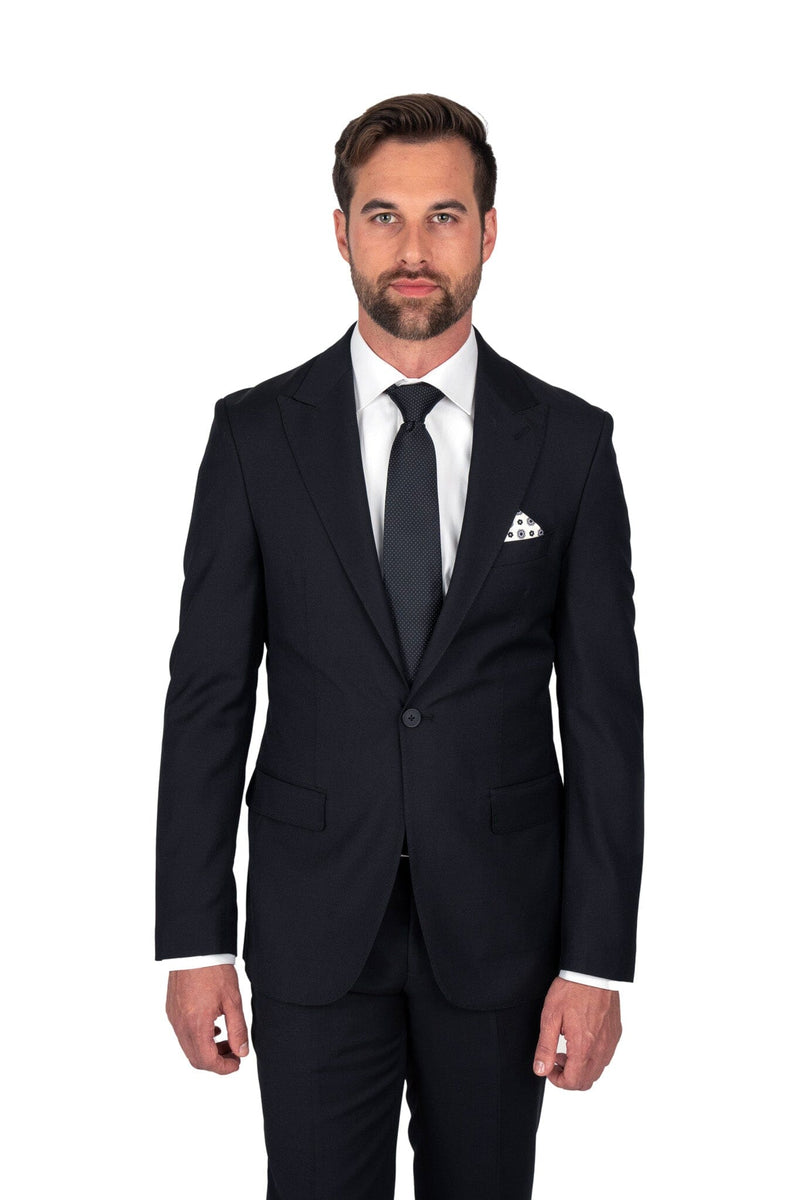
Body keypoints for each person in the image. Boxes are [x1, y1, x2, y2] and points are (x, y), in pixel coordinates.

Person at [155, 92, 645, 1199]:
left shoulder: (568, 445)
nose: (413, 249)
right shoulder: (255, 437)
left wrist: (595, 959)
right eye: (384, 216)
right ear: (341, 231)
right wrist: (194, 941)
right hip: (312, 926)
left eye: (443, 216)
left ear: (488, 231)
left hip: (505, 932)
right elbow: (208, 697)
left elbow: (604, 717)